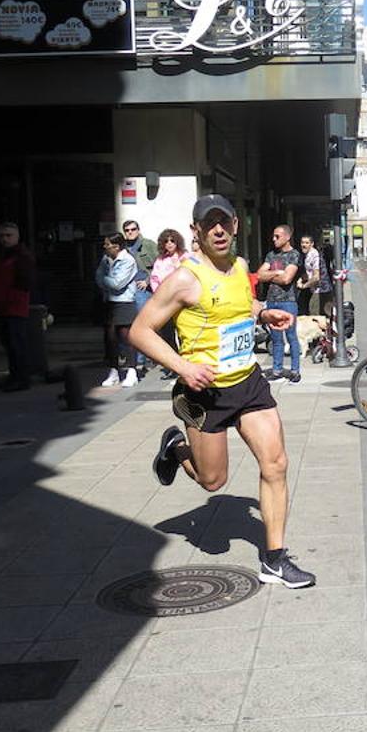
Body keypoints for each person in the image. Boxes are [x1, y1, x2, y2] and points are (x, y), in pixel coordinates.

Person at [131, 194, 314, 588]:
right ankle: (176, 448)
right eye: (208, 224)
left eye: (224, 222)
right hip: (204, 393)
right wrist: (183, 366)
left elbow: (239, 306)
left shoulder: (241, 266)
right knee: (213, 482)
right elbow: (140, 330)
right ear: (195, 231)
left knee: (276, 464)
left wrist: (263, 313)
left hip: (247, 382)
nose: (218, 230)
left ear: (235, 226)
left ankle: (276, 559)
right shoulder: (185, 278)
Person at [0, 222, 36, 392]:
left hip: (15, 307)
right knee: (9, 344)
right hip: (3, 307)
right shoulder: (2, 256)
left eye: (9, 235)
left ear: (17, 237)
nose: (5, 239)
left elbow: (26, 282)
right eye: (2, 236)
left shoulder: (21, 256)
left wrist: (10, 299)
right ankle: (15, 376)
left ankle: (21, 378)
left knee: (17, 344)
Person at [256, 224, 302, 383]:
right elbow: (259, 275)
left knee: (291, 336)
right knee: (276, 338)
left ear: (287, 237)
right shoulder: (271, 255)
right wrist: (276, 273)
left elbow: (287, 279)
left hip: (288, 302)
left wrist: (269, 275)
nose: (273, 239)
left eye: (277, 236)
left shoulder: (294, 255)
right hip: (272, 301)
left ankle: (295, 370)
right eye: (273, 236)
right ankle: (277, 369)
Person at [95, 232, 140, 387]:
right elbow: (97, 276)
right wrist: (105, 280)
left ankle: (132, 370)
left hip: (124, 301)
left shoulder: (127, 260)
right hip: (109, 301)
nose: (105, 247)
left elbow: (117, 284)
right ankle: (114, 371)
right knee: (111, 337)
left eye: (107, 244)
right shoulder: (106, 259)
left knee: (126, 337)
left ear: (116, 246)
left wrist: (104, 280)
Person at [150, 229, 188, 379]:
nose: (169, 244)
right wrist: (159, 294)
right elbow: (154, 279)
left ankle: (187, 362)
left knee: (183, 333)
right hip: (165, 302)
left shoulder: (185, 257)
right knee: (167, 335)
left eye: (172, 240)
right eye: (166, 241)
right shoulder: (160, 260)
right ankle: (174, 365)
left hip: (182, 301)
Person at [123, 220, 158, 375]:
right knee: (129, 325)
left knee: (143, 324)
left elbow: (158, 264)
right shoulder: (122, 246)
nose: (130, 232)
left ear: (138, 230)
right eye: (127, 230)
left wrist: (147, 281)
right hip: (126, 289)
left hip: (142, 290)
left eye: (133, 229)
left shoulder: (148, 245)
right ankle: (136, 359)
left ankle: (145, 359)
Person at [296, 234, 324, 316]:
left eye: (307, 243)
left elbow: (316, 277)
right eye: (302, 242)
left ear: (312, 244)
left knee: (314, 315)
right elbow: (309, 272)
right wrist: (300, 279)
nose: (304, 245)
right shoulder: (307, 255)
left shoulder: (314, 255)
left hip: (318, 290)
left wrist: (304, 286)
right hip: (311, 289)